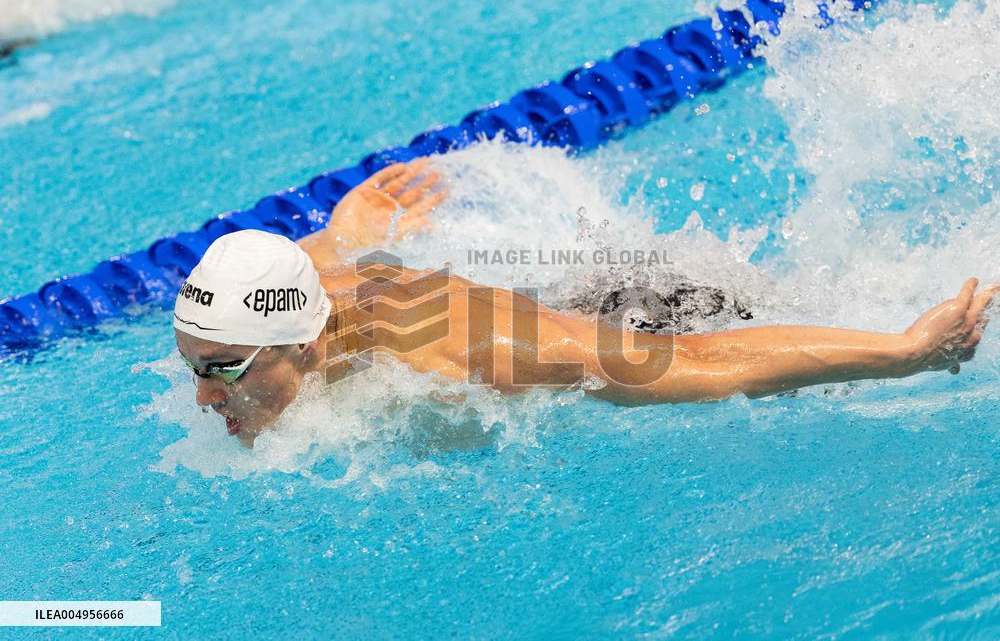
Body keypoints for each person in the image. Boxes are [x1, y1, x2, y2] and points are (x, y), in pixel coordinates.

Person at [173, 160, 997, 447]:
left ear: (308, 347)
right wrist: (339, 231)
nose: (204, 399)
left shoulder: (468, 351)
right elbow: (314, 262)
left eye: (222, 372)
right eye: (197, 370)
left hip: (659, 315)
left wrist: (902, 351)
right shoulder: (292, 305)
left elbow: (700, 363)